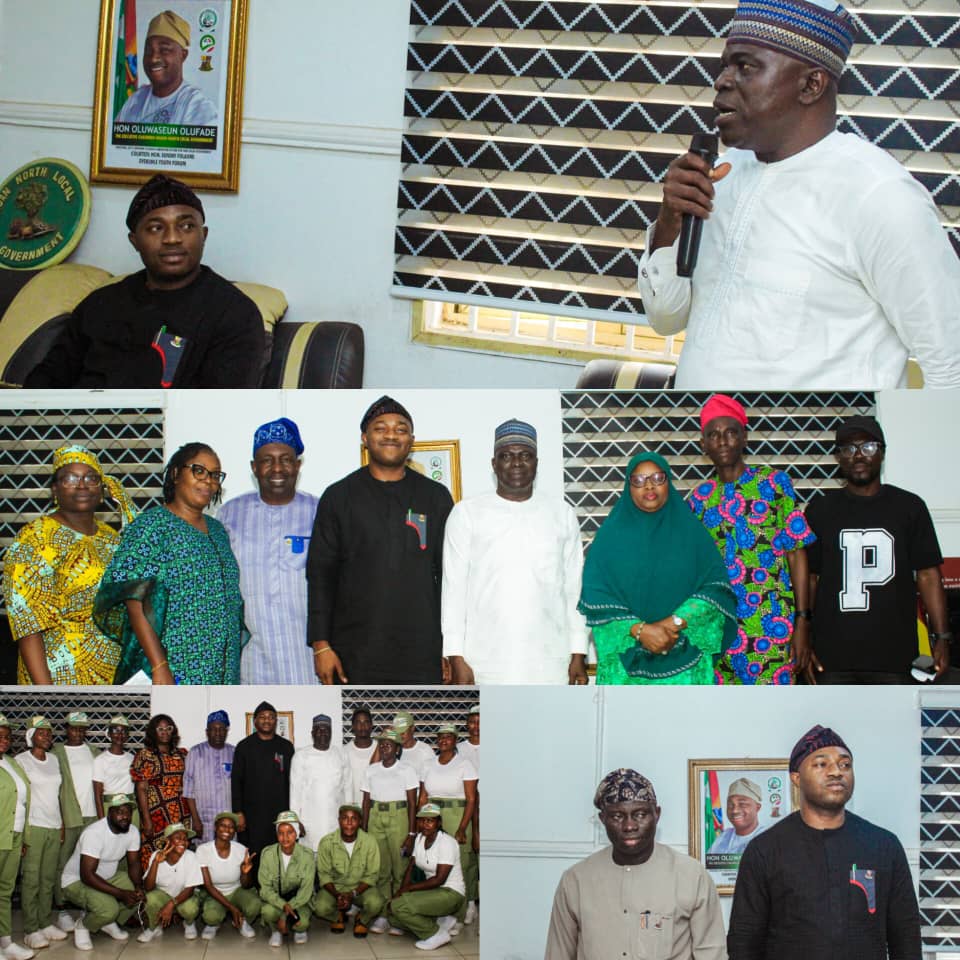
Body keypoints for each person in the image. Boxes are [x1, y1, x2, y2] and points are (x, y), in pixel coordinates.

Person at [636, 0, 960, 391]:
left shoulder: (879, 197)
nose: (721, 81)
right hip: (699, 440)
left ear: (811, 85)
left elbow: (950, 366)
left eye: (745, 66)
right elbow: (666, 319)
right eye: (724, 66)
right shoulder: (726, 173)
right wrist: (671, 219)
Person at [23, 175, 265, 388]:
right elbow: (46, 381)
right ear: (134, 240)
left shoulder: (235, 314)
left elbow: (217, 411)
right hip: (78, 434)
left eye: (187, 226)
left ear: (204, 235)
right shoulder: (101, 303)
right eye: (156, 228)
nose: (172, 238)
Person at [727, 725, 921, 958]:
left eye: (844, 764)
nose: (836, 772)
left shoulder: (884, 846)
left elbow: (906, 938)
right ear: (796, 778)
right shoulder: (765, 850)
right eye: (821, 764)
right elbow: (744, 941)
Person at [306, 395, 454, 684]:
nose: (391, 435)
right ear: (364, 438)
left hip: (422, 649)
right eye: (380, 427)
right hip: (354, 652)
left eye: (401, 429)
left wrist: (451, 648)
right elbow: (320, 574)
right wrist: (321, 645)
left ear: (411, 440)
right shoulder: (338, 497)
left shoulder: (435, 497)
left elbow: (451, 577)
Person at [803, 416, 951, 683]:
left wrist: (941, 638)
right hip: (832, 657)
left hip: (895, 657)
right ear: (838, 458)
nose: (858, 455)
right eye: (848, 449)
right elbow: (809, 579)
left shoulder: (909, 507)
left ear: (882, 452)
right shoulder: (820, 510)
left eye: (867, 447)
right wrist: (804, 636)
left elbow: (929, 575)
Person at [443, 419, 589, 684]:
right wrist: (455, 655)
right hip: (484, 662)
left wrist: (578, 650)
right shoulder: (467, 514)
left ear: (536, 462)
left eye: (525, 455)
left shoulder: (562, 513)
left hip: (551, 661)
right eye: (506, 456)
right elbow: (453, 591)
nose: (517, 463)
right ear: (494, 464)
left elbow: (574, 589)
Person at [579, 452, 738, 684]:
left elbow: (716, 588)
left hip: (687, 666)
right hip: (626, 672)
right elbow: (596, 597)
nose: (649, 486)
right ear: (628, 486)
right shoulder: (610, 538)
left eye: (657, 478)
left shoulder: (691, 533)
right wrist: (639, 630)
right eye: (639, 480)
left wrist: (673, 622)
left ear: (669, 482)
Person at [689, 395, 815, 684]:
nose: (722, 441)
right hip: (719, 634)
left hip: (772, 630)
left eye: (731, 432)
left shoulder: (774, 484)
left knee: (773, 716)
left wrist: (803, 621)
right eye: (713, 435)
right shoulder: (699, 500)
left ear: (744, 438)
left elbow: (796, 554)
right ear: (703, 444)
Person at [95, 442, 243, 684]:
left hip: (222, 668)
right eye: (199, 471)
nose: (208, 481)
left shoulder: (217, 530)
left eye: (215, 475)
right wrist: (159, 665)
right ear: (175, 474)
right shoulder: (151, 526)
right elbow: (134, 601)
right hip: (175, 666)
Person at [545, 768, 726, 960]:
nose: (629, 826)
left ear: (657, 815)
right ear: (602, 819)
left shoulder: (691, 876)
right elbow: (558, 954)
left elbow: (712, 953)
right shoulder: (575, 880)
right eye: (617, 816)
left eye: (640, 814)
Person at [2, 444, 135, 685]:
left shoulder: (112, 539)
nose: (82, 485)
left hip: (112, 676)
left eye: (91, 478)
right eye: (70, 478)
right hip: (56, 674)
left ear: (102, 489)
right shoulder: (36, 537)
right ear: (54, 488)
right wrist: (47, 694)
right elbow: (27, 623)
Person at [219, 418, 319, 683]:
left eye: (286, 459)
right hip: (252, 657)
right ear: (254, 467)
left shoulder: (320, 511)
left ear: (297, 465)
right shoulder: (229, 514)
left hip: (308, 657)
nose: (277, 468)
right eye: (267, 460)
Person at [61, 793, 144, 952]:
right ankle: (83, 925)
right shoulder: (95, 833)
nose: (124, 816)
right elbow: (87, 876)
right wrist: (120, 893)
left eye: (127, 811)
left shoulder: (132, 831)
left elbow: (133, 863)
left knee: (136, 895)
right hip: (76, 881)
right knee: (109, 909)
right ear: (109, 813)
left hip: (107, 877)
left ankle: (106, 921)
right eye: (119, 811)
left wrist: (138, 886)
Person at [15, 717, 68, 950]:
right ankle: (31, 929)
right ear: (31, 736)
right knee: (31, 880)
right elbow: (19, 798)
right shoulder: (21, 761)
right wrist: (23, 833)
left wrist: (63, 825)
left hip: (55, 826)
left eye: (49, 733)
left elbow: (58, 796)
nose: (47, 737)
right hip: (34, 827)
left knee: (48, 879)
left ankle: (46, 922)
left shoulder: (55, 760)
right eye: (41, 733)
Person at [387, 802, 466, 951]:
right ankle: (439, 920)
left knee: (399, 907)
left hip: (450, 893)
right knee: (393, 917)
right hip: (432, 892)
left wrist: (408, 890)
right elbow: (411, 867)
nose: (425, 824)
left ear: (439, 822)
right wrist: (400, 891)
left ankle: (435, 934)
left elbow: (439, 880)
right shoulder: (419, 839)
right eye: (422, 820)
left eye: (430, 820)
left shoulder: (447, 843)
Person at [419, 724, 478, 925]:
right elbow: (423, 796)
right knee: (438, 860)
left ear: (455, 740)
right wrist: (421, 821)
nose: (444, 740)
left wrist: (462, 827)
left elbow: (471, 799)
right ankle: (442, 908)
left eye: (449, 737)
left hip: (457, 813)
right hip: (433, 813)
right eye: (440, 736)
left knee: (460, 862)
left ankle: (462, 911)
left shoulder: (465, 764)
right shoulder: (428, 764)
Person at [115, 11, 218, 125]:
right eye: (149, 50)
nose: (154, 58)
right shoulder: (135, 100)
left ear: (183, 55)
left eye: (164, 50)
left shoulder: (197, 107)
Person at [362, 730, 419, 928]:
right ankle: (385, 914)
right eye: (382, 743)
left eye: (389, 744)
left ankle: (399, 916)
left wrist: (412, 833)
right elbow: (366, 801)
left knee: (400, 869)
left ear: (397, 748)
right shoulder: (371, 770)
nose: (385, 746)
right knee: (382, 869)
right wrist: (363, 829)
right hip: (376, 817)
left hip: (399, 817)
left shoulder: (407, 770)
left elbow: (413, 803)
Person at [231, 701, 295, 861]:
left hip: (278, 813)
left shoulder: (286, 747)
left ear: (276, 721)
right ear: (255, 721)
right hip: (252, 814)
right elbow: (236, 781)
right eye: (262, 717)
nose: (267, 720)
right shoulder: (244, 747)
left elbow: (292, 782)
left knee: (278, 854)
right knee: (254, 853)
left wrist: (291, 814)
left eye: (271, 717)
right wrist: (238, 812)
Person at [51, 712, 98, 928]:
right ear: (66, 729)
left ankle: (85, 905)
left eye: (81, 728)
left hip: (91, 817)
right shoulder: (56, 753)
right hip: (68, 816)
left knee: (88, 864)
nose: (77, 732)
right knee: (62, 863)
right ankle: (61, 909)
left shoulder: (94, 752)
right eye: (73, 727)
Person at [313, 804, 384, 938]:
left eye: (354, 819)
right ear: (339, 820)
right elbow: (324, 875)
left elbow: (372, 875)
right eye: (345, 818)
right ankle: (337, 917)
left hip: (360, 888)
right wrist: (337, 895)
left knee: (376, 903)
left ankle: (361, 919)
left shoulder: (370, 842)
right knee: (319, 907)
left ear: (360, 822)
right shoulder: (326, 842)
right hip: (336, 887)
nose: (349, 823)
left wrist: (353, 893)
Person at [131, 714, 191, 873]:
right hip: (156, 813)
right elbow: (141, 789)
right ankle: (152, 887)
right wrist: (146, 819)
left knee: (178, 849)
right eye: (160, 729)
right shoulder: (145, 756)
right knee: (154, 850)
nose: (164, 732)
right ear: (153, 732)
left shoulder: (183, 755)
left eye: (168, 728)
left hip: (180, 813)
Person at [290, 714, 352, 853]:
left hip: (335, 822)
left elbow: (347, 789)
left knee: (333, 863)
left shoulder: (341, 755)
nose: (323, 733)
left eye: (326, 730)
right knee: (309, 866)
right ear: (312, 733)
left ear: (331, 733)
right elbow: (295, 792)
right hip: (309, 823)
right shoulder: (301, 756)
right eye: (319, 730)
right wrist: (296, 822)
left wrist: (349, 819)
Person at [195, 812, 259, 940]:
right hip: (214, 891)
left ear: (235, 831)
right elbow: (208, 885)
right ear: (215, 827)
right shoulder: (203, 850)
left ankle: (241, 921)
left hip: (236, 889)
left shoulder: (242, 849)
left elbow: (246, 885)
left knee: (255, 905)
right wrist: (232, 908)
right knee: (210, 916)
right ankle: (213, 924)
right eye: (223, 825)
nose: (227, 830)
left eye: (231, 827)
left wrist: (245, 873)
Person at [0, 714, 33, 960]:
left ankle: (6, 941)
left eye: (7, 736)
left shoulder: (11, 763)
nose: (4, 739)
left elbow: (24, 802)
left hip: (15, 835)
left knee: (5, 891)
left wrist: (24, 838)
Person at [138, 823, 203, 943]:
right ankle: (154, 928)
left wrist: (171, 904)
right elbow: (148, 887)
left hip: (185, 896)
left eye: (185, 839)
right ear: (167, 841)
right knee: (150, 898)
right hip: (163, 894)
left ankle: (189, 923)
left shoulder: (191, 857)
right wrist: (155, 863)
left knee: (190, 908)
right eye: (178, 838)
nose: (183, 842)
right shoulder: (156, 856)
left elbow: (189, 891)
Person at [258, 811, 315, 947]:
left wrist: (285, 915)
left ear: (296, 834)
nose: (285, 837)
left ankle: (298, 930)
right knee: (267, 912)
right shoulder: (267, 854)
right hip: (277, 901)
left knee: (303, 923)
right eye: (281, 833)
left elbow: (306, 892)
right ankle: (275, 930)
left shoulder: (307, 856)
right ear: (277, 835)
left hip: (299, 902)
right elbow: (265, 889)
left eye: (290, 832)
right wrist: (283, 906)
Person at [183, 710, 235, 842]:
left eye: (221, 729)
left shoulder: (234, 753)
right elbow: (188, 791)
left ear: (226, 731)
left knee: (229, 857)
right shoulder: (195, 753)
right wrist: (195, 819)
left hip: (228, 821)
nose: (218, 733)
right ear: (207, 732)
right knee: (204, 857)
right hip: (203, 821)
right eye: (213, 729)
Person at [706, 778, 767, 855]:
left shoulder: (767, 838)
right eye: (730, 805)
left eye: (742, 804)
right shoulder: (723, 837)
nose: (735, 810)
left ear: (757, 808)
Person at [92, 716, 134, 820]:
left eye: (124, 731)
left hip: (130, 807)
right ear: (109, 733)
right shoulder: (100, 760)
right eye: (115, 730)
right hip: (111, 808)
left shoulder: (132, 758)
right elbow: (98, 795)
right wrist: (102, 820)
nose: (120, 734)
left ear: (128, 735)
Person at [392, 711, 436, 784]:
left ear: (412, 728)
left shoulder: (424, 749)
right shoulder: (392, 750)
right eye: (398, 732)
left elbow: (433, 776)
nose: (400, 735)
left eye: (403, 732)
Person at [345, 707, 376, 806]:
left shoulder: (381, 748)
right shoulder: (344, 751)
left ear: (371, 725)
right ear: (353, 726)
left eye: (366, 722)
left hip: (376, 811)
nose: (362, 726)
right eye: (358, 722)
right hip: (353, 812)